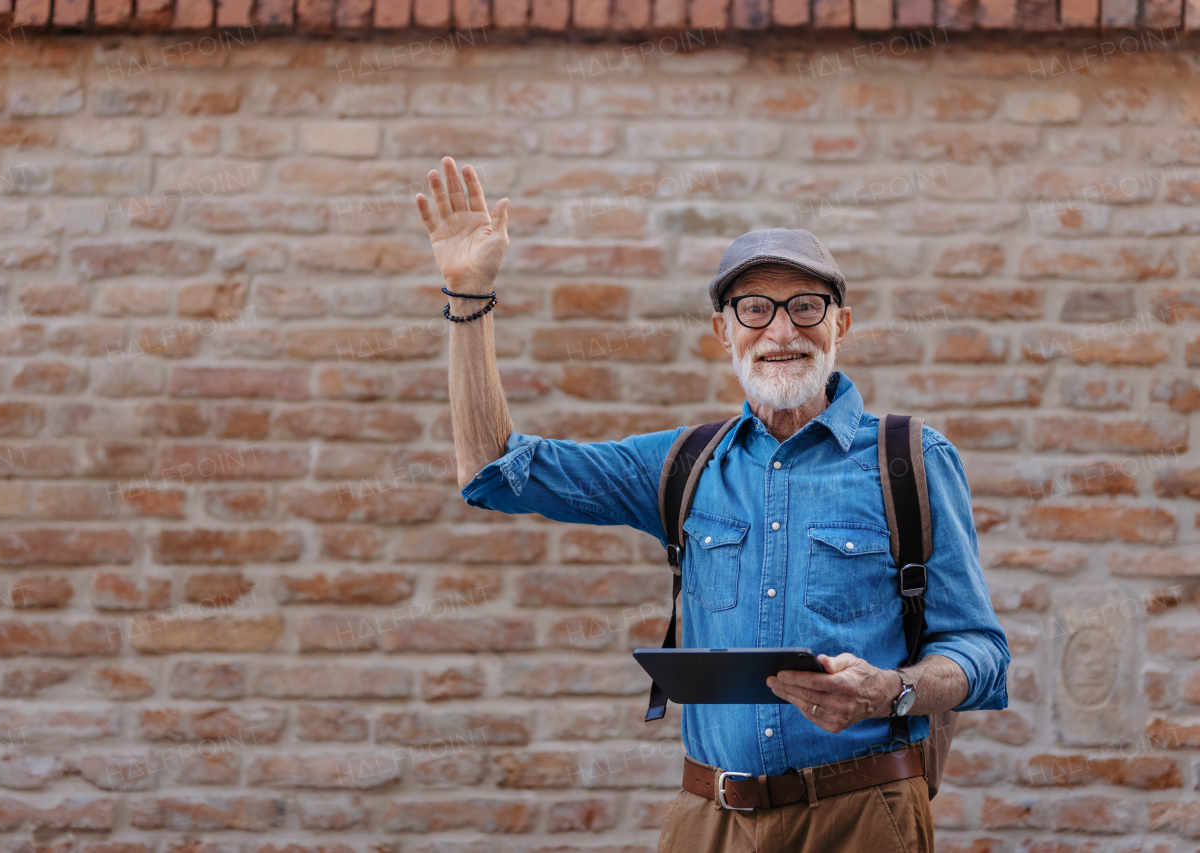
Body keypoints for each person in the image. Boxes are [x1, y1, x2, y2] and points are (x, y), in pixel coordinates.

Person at [415, 156, 1009, 853]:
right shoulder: (683, 466)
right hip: (710, 821)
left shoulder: (910, 460)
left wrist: (891, 690)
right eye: (755, 309)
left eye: (805, 307)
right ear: (722, 332)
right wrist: (467, 296)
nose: (781, 331)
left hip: (862, 814)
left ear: (841, 324)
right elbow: (491, 470)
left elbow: (982, 653)